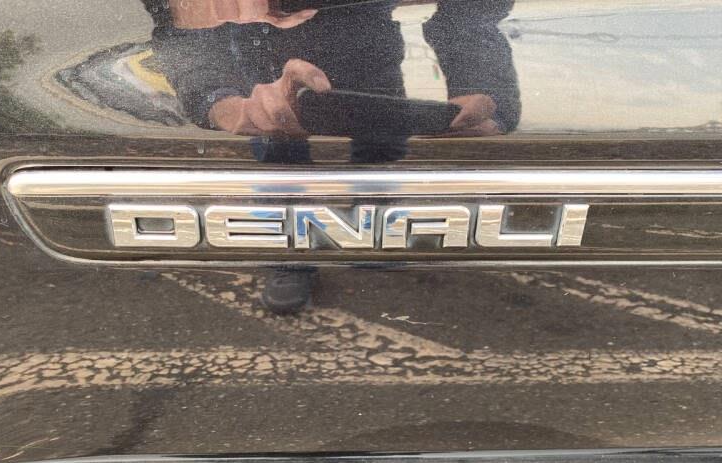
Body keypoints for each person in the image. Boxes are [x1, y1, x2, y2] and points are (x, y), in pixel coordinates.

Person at [140, 0, 520, 312]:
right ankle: (291, 254)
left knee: (380, 150)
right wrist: (221, 101)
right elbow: (183, 17)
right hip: (265, 63)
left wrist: (481, 82)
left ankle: (374, 230)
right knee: (280, 162)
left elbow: (474, 9)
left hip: (370, 47)